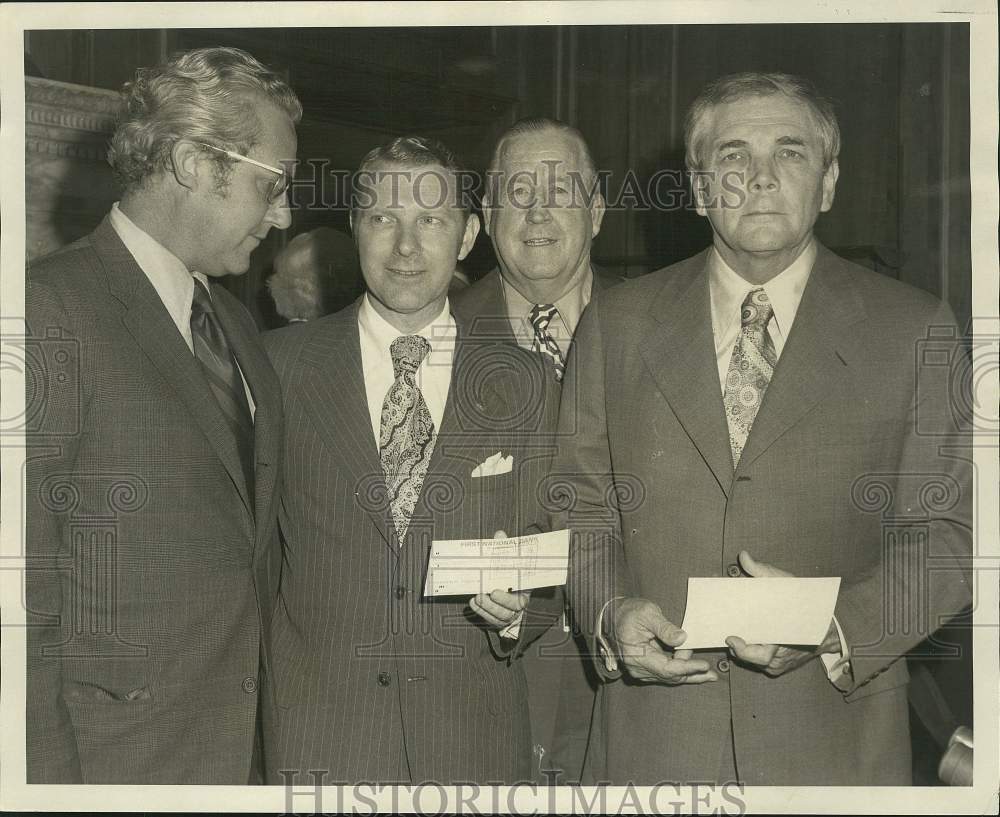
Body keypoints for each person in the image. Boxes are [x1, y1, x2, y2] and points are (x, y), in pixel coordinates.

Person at [551, 72, 972, 785]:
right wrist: (611, 609)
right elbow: (579, 508)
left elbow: (956, 531)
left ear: (830, 180)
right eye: (733, 156)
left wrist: (832, 620)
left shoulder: (914, 327)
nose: (761, 178)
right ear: (696, 186)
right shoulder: (616, 325)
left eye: (791, 153)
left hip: (837, 742)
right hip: (653, 743)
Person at [24, 46, 300, 784]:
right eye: (270, 184)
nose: (285, 214)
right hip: (113, 765)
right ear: (190, 162)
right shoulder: (45, 310)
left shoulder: (238, 328)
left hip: (238, 763)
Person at [262, 136, 555, 784]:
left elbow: (557, 549)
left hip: (471, 744)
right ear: (354, 227)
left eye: (430, 220)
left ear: (469, 233)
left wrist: (523, 610)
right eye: (383, 218)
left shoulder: (526, 382)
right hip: (319, 743)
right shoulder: (279, 369)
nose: (405, 246)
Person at [453, 117, 620, 784]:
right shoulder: (429, 340)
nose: (538, 211)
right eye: (517, 191)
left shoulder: (667, 332)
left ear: (597, 211)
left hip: (622, 709)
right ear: (488, 217)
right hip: (476, 707)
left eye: (561, 189)